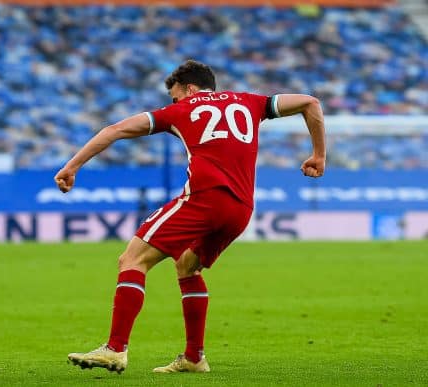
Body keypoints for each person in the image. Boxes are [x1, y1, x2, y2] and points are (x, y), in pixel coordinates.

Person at [54, 59, 326, 374]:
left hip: (203, 200)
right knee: (187, 265)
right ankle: (195, 357)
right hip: (240, 208)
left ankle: (115, 349)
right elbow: (311, 102)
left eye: (175, 96)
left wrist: (72, 166)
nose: (174, 102)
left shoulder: (181, 110)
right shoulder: (252, 102)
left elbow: (114, 130)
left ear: (190, 88)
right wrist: (319, 155)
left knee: (132, 260)